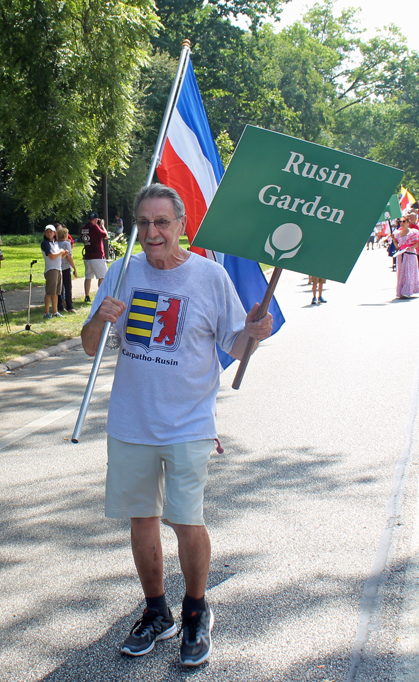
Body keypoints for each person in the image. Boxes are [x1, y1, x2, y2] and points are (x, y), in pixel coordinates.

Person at [81, 183, 273, 667]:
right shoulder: (123, 272)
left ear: (181, 225)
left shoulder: (209, 277)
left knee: (186, 520)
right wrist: (100, 320)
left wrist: (253, 334)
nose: (151, 233)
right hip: (130, 421)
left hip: (188, 423)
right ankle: (156, 611)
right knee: (141, 519)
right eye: (143, 223)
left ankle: (195, 611)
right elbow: (89, 346)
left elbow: (235, 347)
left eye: (161, 222)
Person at [40, 225, 68, 319]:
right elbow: (51, 256)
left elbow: (59, 257)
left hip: (58, 268)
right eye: (47, 232)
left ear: (55, 233)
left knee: (56, 292)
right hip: (51, 269)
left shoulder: (55, 243)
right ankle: (46, 313)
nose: (49, 233)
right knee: (49, 292)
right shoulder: (45, 243)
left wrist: (64, 254)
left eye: (51, 231)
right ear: (45, 233)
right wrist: (60, 252)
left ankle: (55, 311)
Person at [80, 212, 108, 303]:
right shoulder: (95, 227)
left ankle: (87, 296)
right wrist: (102, 226)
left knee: (88, 277)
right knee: (102, 277)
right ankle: (101, 296)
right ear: (96, 220)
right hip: (97, 256)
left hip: (88, 256)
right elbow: (105, 236)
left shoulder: (84, 228)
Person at [392, 215, 419, 299]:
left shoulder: (413, 232)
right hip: (401, 255)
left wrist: (411, 247)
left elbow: (416, 244)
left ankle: (407, 291)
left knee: (409, 273)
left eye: (404, 221)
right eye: (400, 221)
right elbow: (397, 246)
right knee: (401, 273)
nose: (402, 223)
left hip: (410, 254)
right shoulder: (397, 233)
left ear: (408, 222)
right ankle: (401, 291)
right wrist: (394, 241)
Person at [56, 226, 78, 313]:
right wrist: (74, 268)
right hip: (65, 267)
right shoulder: (66, 244)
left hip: (57, 267)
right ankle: (69, 306)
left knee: (59, 288)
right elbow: (69, 257)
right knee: (67, 287)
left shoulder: (56, 243)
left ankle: (60, 305)